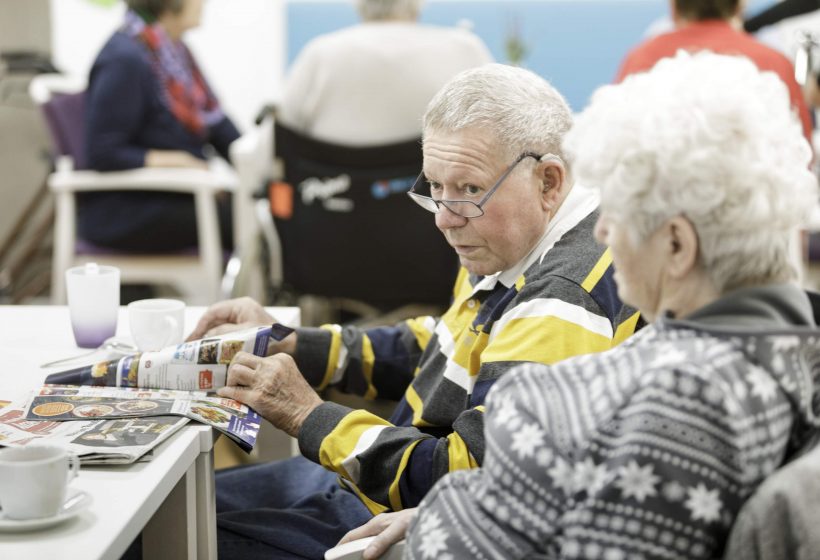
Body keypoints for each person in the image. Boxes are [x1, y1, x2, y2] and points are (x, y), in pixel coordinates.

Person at [347, 51, 818, 559]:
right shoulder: (794, 358)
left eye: (616, 213)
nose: (602, 232)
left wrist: (439, 519)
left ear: (677, 247)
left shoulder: (650, 413)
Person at [188, 63, 643, 559]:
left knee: (166, 532)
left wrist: (307, 414)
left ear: (548, 182)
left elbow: (463, 482)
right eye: (435, 187)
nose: (445, 219)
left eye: (469, 190)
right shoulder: (512, 238)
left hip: (396, 522)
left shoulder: (560, 299)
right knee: (176, 507)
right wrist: (295, 342)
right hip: (369, 485)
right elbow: (443, 345)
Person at [81, 0, 239, 253]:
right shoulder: (125, 59)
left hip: (171, 196)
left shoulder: (174, 54)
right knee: (249, 220)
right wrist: (177, 160)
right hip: (130, 209)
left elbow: (216, 124)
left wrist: (258, 159)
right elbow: (103, 151)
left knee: (263, 209)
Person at [277, 0, 492, 146]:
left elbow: (282, 131)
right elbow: (496, 125)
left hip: (332, 200)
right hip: (439, 202)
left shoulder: (320, 53)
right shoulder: (464, 48)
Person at [615, 0, 814, 146]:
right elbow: (802, 154)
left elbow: (613, 144)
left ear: (673, 7)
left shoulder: (641, 59)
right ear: (739, 6)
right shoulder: (773, 63)